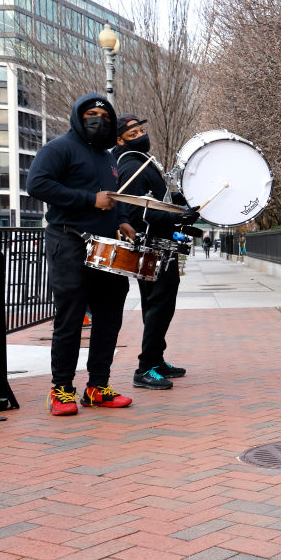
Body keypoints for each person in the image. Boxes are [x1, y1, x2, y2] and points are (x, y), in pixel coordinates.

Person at [26, 93, 134, 416]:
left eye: (103, 113)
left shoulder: (110, 157)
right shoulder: (59, 149)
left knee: (110, 314)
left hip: (104, 247)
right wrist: (89, 200)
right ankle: (61, 390)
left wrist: (123, 219)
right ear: (77, 116)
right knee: (70, 318)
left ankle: (97, 387)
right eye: (90, 112)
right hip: (67, 240)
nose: (97, 117)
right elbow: (37, 184)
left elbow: (111, 199)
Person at [112, 113, 199, 391]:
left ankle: (156, 360)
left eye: (140, 130)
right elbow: (136, 212)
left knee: (159, 306)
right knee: (158, 307)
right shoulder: (130, 166)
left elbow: (155, 202)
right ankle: (145, 367)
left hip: (158, 246)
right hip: (152, 248)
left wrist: (178, 203)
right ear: (119, 139)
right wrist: (176, 218)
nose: (140, 135)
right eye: (133, 133)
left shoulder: (141, 163)